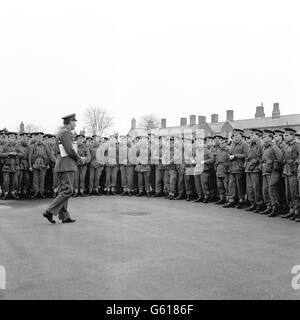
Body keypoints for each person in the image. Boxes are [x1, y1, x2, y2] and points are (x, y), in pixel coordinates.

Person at [43, 113, 83, 224]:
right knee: (68, 190)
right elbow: (70, 150)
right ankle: (49, 211)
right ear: (70, 122)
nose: (75, 123)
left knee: (63, 190)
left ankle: (64, 216)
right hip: (66, 165)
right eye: (74, 121)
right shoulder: (65, 133)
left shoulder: (64, 132)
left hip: (64, 165)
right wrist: (80, 159)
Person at [223, 129, 249, 209]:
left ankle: (241, 200)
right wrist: (230, 156)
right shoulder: (233, 144)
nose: (235, 137)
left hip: (240, 167)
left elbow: (246, 155)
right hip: (232, 167)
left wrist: (236, 156)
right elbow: (230, 153)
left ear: (241, 135)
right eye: (234, 135)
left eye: (237, 135)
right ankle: (231, 200)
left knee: (240, 185)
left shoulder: (244, 144)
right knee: (232, 185)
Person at [260, 129, 283, 217]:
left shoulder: (274, 147)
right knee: (265, 189)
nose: (263, 138)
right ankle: (269, 206)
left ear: (270, 138)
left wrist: (273, 164)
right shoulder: (265, 147)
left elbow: (280, 158)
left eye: (265, 137)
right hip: (266, 170)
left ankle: (275, 207)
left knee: (272, 189)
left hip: (273, 171)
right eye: (263, 137)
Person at [281, 128, 300, 221]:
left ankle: (297, 212)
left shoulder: (297, 145)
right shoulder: (286, 146)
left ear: (292, 136)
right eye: (284, 135)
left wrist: (294, 162)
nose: (285, 137)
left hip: (294, 171)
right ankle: (291, 210)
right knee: (288, 193)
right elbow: (283, 157)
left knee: (294, 192)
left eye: (287, 135)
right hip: (287, 171)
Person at [244, 129, 264, 213]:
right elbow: (248, 155)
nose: (250, 136)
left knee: (256, 187)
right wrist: (246, 163)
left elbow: (262, 157)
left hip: (255, 168)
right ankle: (253, 203)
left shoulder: (261, 145)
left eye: (253, 135)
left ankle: (259, 204)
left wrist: (256, 161)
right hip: (249, 168)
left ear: (258, 136)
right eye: (251, 135)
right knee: (250, 187)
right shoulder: (251, 145)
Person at [0, 132, 24, 200]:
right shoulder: (4, 146)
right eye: (11, 137)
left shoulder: (17, 146)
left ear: (15, 139)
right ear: (8, 138)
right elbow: (0, 154)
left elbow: (23, 154)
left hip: (16, 166)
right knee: (6, 181)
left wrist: (16, 153)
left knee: (15, 181)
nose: (12, 139)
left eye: (13, 137)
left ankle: (13, 193)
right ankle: (5, 193)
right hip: (6, 166)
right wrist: (9, 154)